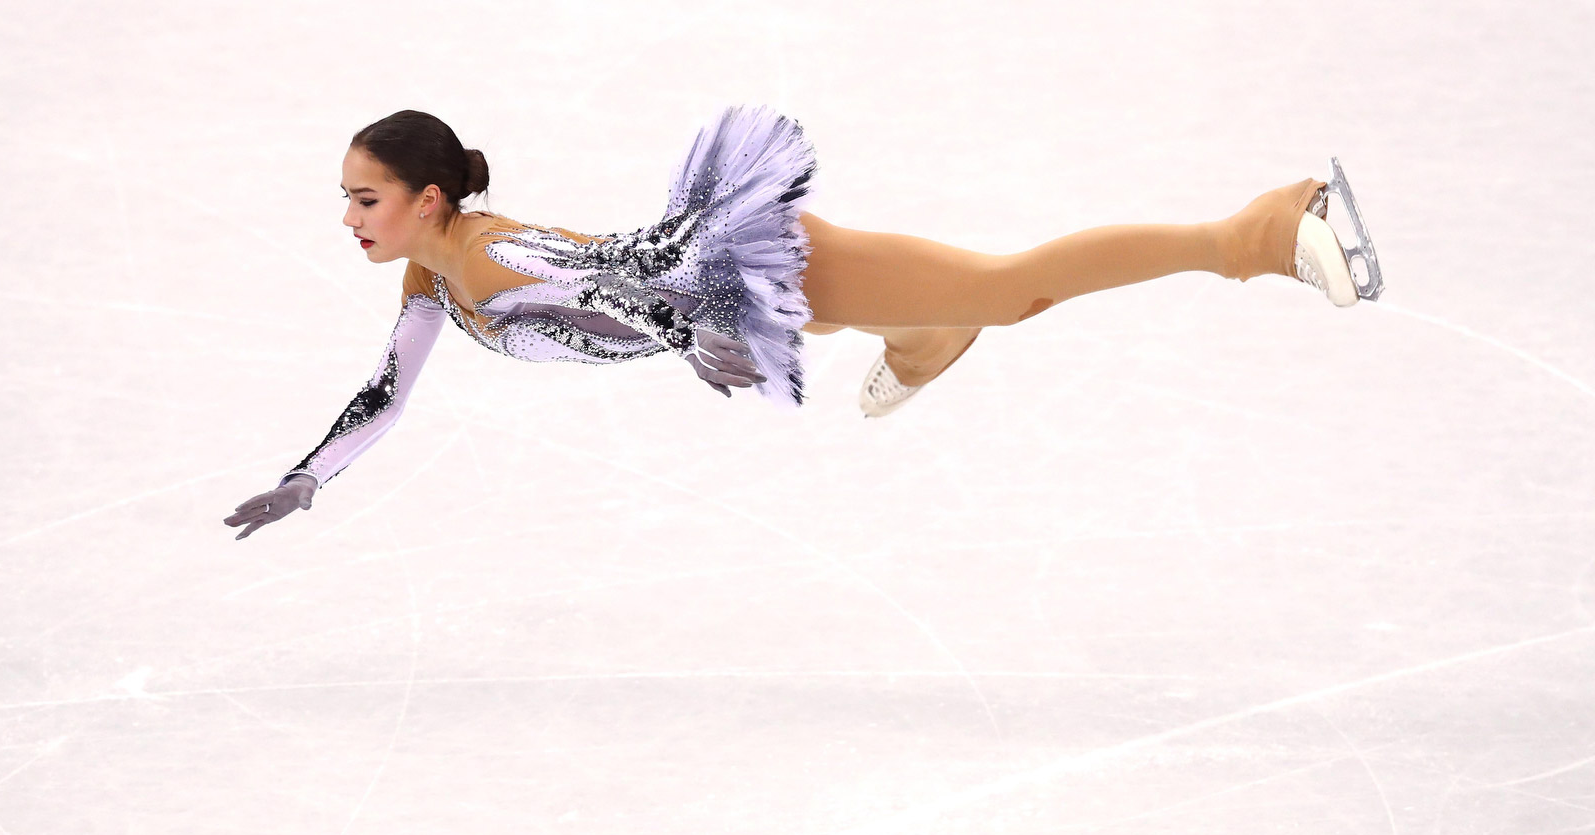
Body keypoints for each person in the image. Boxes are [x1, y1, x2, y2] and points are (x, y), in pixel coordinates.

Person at [225, 103, 1382, 541]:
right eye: (344, 198)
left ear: (428, 198)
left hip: (758, 269)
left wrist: (689, 337)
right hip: (740, 302)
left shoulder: (480, 253)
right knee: (948, 308)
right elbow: (387, 387)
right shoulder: (428, 283)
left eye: (363, 197)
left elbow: (591, 281)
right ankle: (923, 343)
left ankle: (1259, 233)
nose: (347, 217)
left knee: (1010, 288)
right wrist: (310, 475)